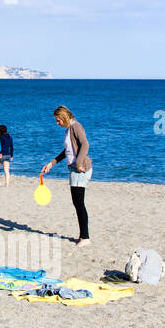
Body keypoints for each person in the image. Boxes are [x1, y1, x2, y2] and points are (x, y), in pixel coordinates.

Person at [40, 105, 93, 248]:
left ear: (64, 117)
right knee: (77, 202)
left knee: (79, 203)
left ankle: (86, 237)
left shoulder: (76, 126)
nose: (57, 123)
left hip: (80, 169)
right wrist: (51, 163)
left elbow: (85, 144)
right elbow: (67, 151)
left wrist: (79, 163)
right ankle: (83, 235)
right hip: (74, 169)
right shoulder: (68, 129)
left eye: (58, 120)